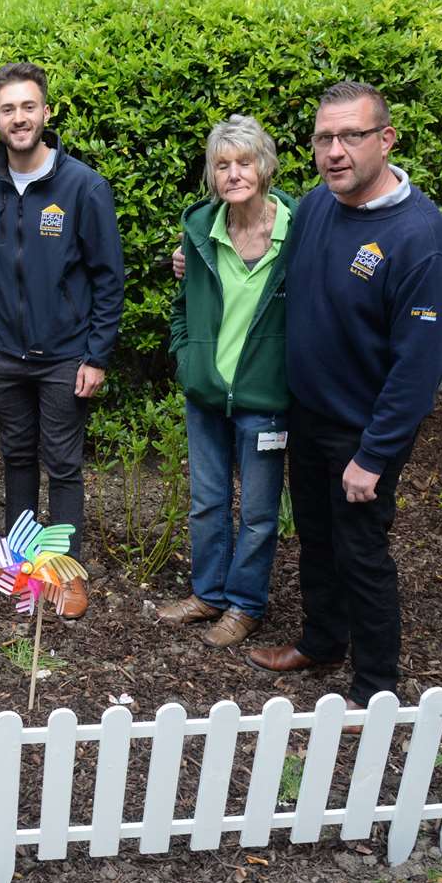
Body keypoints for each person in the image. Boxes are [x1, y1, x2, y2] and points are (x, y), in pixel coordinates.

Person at [244, 81, 442, 714]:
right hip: (308, 416)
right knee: (313, 535)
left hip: (363, 433)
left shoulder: (421, 241)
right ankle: (320, 641)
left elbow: (418, 370)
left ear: (386, 140)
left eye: (351, 137)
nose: (335, 151)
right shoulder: (317, 207)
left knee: (361, 553)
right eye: (323, 138)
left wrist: (374, 455)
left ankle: (376, 689)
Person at [0, 62, 125, 619]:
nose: (19, 118)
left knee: (64, 463)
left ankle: (66, 573)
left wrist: (96, 354)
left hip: (65, 356)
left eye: (28, 107)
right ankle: (21, 563)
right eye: (8, 109)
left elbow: (108, 277)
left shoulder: (82, 186)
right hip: (3, 353)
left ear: (46, 112)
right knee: (18, 458)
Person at [157, 115, 297, 649]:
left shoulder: (297, 231)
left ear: (264, 166)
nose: (233, 173)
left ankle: (245, 606)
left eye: (244, 162)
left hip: (267, 401)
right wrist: (186, 358)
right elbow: (182, 308)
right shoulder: (201, 232)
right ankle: (208, 594)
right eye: (222, 164)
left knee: (260, 514)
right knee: (207, 502)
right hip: (208, 395)